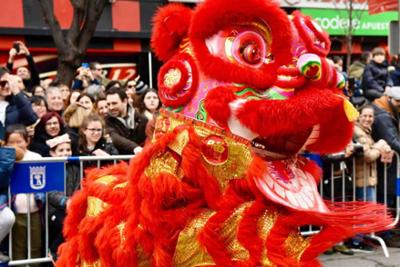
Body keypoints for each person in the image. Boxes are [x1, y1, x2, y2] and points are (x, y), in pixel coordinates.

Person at [5, 124, 43, 265]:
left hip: (35, 210)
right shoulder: (5, 159)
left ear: (27, 141)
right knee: (18, 246)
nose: (15, 145)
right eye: (11, 142)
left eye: (19, 141)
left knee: (36, 244)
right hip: (15, 211)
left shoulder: (36, 157)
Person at [46, 134, 80, 260]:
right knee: (67, 223)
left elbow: (79, 187)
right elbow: (49, 193)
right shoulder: (49, 168)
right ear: (52, 153)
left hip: (72, 208)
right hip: (54, 210)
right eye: (61, 150)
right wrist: (65, 202)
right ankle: (54, 252)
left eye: (68, 149)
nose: (65, 153)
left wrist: (75, 202)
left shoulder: (75, 168)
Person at [105, 87, 148, 154]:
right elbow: (114, 137)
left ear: (125, 101)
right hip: (119, 161)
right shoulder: (106, 121)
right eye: (108, 104)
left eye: (114, 103)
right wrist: (135, 148)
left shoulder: (142, 120)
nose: (111, 107)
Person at [0, 67, 38, 140]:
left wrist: (16, 91)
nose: (7, 86)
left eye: (9, 82)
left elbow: (31, 119)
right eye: (3, 83)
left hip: (12, 148)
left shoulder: (18, 102)